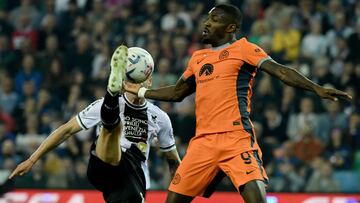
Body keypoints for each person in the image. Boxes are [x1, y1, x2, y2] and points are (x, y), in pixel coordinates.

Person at [124, 4, 352, 203]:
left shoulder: (244, 49)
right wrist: (141, 90)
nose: (207, 23)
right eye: (208, 18)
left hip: (236, 139)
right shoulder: (197, 58)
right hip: (202, 143)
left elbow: (282, 72)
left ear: (230, 28)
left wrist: (316, 88)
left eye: (214, 19)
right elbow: (177, 92)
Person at [9, 45, 181, 203]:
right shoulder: (101, 105)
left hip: (130, 178)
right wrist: (32, 159)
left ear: (148, 82)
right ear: (123, 81)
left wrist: (180, 194)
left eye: (138, 80)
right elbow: (66, 130)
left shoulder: (160, 118)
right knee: (112, 127)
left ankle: (111, 99)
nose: (133, 84)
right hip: (102, 162)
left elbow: (174, 162)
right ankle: (111, 95)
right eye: (128, 78)